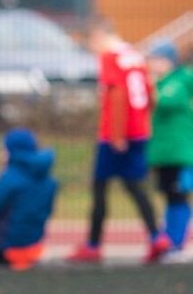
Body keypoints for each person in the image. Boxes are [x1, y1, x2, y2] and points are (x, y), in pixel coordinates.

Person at [66, 17, 171, 264]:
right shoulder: (134, 54)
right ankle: (157, 237)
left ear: (98, 37)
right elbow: (149, 92)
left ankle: (93, 244)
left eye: (91, 44)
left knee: (100, 186)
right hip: (139, 132)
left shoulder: (110, 57)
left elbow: (118, 95)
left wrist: (116, 135)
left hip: (116, 136)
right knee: (134, 185)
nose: (93, 50)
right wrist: (143, 123)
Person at [0, 128, 57, 270]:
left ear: (14, 151)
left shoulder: (9, 177)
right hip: (35, 246)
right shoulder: (49, 180)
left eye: (3, 150)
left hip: (8, 247)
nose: (1, 154)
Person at [146, 40, 193, 263]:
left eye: (155, 59)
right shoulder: (164, 82)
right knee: (170, 196)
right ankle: (169, 241)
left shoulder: (177, 82)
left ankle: (176, 243)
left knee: (178, 197)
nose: (152, 64)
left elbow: (164, 102)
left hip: (179, 153)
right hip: (166, 153)